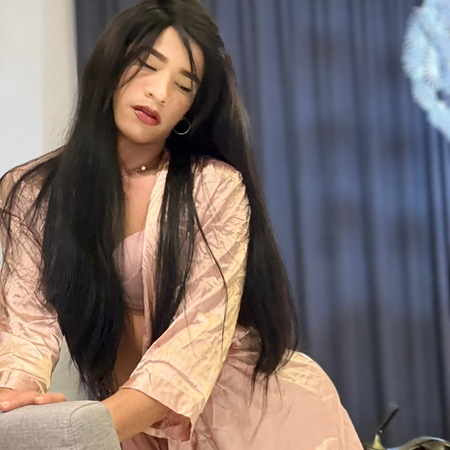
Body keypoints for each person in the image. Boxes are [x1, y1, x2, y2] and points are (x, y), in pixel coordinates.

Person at [0, 1, 362, 448]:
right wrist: (17, 404)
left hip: (251, 419)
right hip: (128, 427)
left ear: (190, 109)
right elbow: (27, 325)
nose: (159, 92)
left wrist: (85, 432)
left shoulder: (214, 188)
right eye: (147, 65)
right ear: (111, 65)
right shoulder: (32, 192)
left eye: (183, 85)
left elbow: (194, 341)